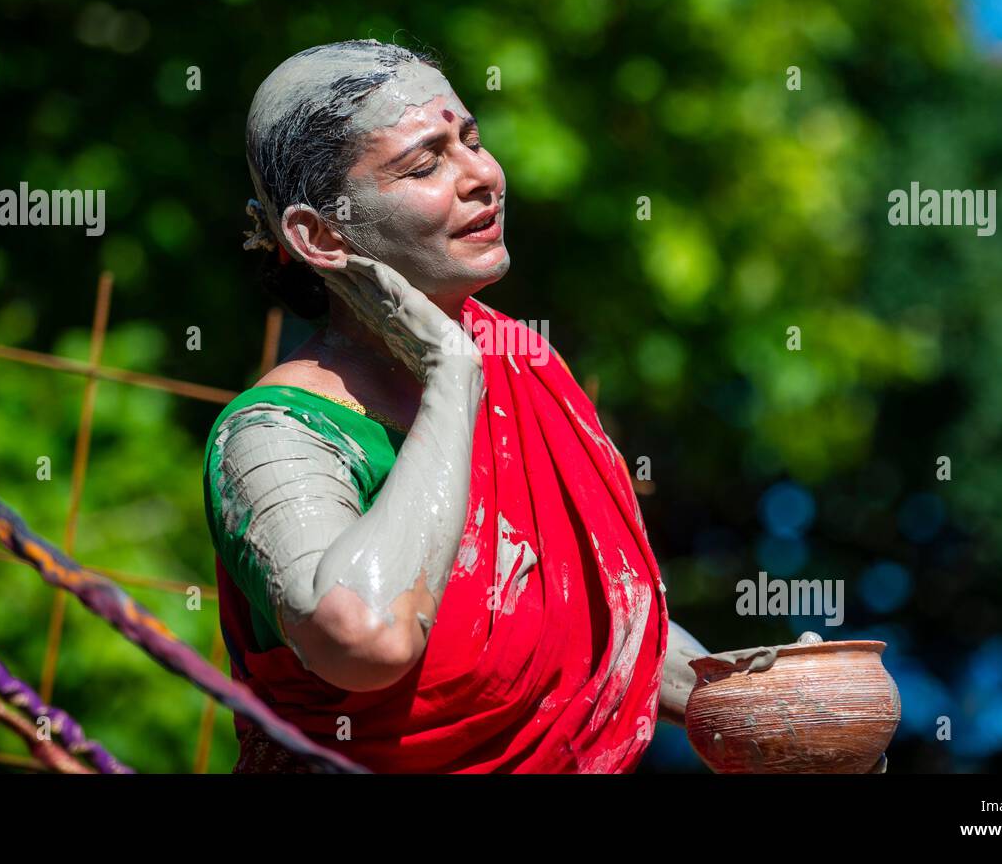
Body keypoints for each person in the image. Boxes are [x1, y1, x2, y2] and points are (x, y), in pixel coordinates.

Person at [203, 39, 712, 773]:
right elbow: (367, 638)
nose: (483, 177)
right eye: (426, 162)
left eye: (471, 139)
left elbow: (600, 620)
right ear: (319, 234)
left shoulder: (526, 364)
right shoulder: (276, 434)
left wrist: (751, 693)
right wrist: (449, 375)